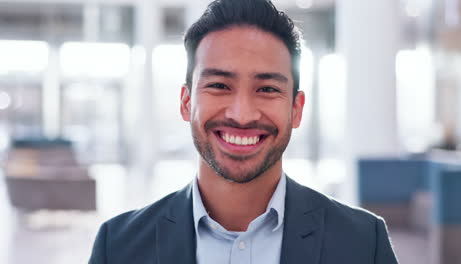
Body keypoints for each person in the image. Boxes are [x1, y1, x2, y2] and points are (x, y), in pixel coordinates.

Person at [89, 0, 399, 263]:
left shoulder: (362, 244)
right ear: (186, 102)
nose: (242, 114)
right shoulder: (118, 246)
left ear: (296, 109)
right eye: (220, 86)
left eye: (266, 88)